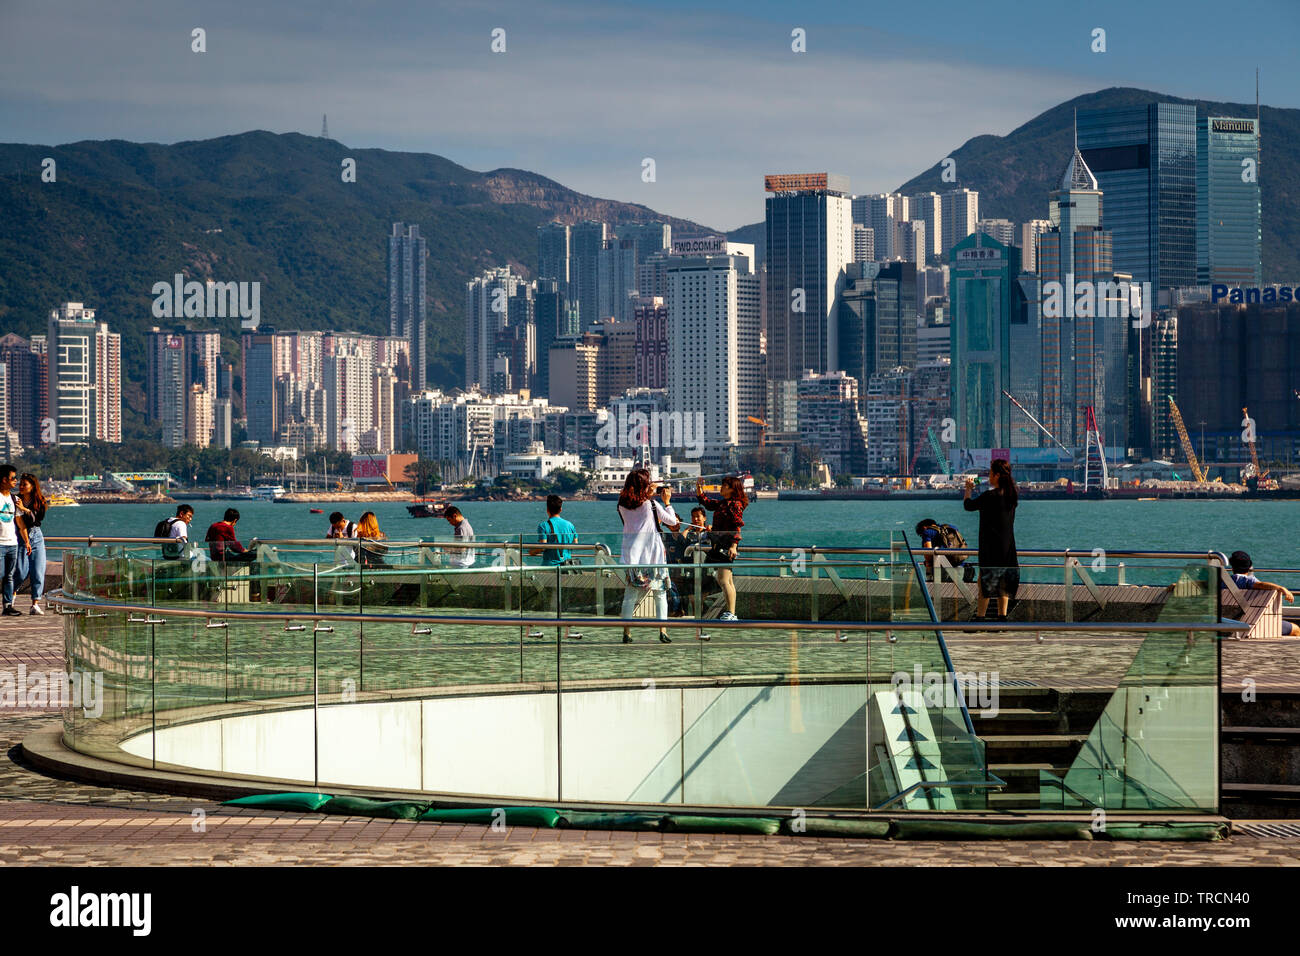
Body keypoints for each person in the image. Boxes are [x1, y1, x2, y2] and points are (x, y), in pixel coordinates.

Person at [617, 468, 679, 643]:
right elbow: (672, 521)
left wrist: (647, 493)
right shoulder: (650, 504)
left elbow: (635, 507)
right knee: (660, 593)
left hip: (632, 555)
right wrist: (667, 502)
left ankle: (627, 632)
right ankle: (663, 631)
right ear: (645, 485)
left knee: (630, 595)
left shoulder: (622, 504)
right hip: (654, 555)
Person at [963, 458, 1019, 622]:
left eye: (990, 473)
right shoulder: (1011, 496)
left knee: (984, 583)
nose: (988, 476)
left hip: (990, 546)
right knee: (1003, 584)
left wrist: (968, 489)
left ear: (996, 475)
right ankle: (1002, 618)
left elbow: (968, 505)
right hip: (1007, 547)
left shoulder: (989, 496)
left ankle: (980, 618)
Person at [696, 475, 748, 622]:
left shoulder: (735, 505)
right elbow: (705, 502)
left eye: (725, 485)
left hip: (725, 545)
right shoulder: (723, 503)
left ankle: (731, 613)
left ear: (732, 489)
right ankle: (731, 612)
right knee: (726, 580)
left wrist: (734, 545)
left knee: (724, 580)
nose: (721, 487)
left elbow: (737, 526)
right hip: (718, 544)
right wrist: (699, 486)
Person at [1226, 551, 1299, 636]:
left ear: (1232, 566)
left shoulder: (1224, 581)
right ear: (1249, 566)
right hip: (1255, 625)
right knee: (1296, 629)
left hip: (1229, 621)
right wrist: (1282, 588)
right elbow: (1261, 585)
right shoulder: (1247, 581)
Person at [15, 474, 48, 614]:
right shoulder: (15, 499)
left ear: (32, 486)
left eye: (25, 484)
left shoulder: (40, 501)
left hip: (36, 536)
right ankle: (11, 598)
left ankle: (35, 603)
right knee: (20, 571)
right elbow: (17, 520)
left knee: (38, 571)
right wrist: (21, 508)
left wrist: (25, 509)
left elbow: (36, 520)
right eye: (20, 484)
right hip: (20, 536)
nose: (21, 487)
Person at [0, 465, 28, 617]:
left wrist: (26, 541)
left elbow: (19, 521)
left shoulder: (14, 499)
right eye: (13, 478)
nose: (16, 481)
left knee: (9, 576)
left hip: (12, 543)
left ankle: (8, 606)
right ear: (4, 480)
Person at [528, 495, 577, 566]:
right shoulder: (570, 525)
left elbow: (543, 546)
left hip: (550, 566)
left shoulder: (543, 526)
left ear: (547, 510)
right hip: (567, 566)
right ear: (560, 509)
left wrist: (531, 552)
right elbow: (575, 543)